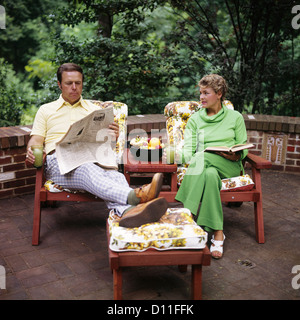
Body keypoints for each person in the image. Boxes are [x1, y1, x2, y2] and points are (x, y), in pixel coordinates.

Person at [26, 62, 168, 228]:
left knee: (116, 176)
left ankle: (128, 212)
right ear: (59, 85)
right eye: (68, 83)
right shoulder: (46, 110)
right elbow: (36, 140)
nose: (74, 87)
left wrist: (112, 136)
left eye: (78, 83)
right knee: (86, 168)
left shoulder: (94, 110)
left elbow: (106, 146)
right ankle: (136, 196)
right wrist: (31, 150)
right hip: (58, 163)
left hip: (92, 158)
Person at [175, 74, 248, 259]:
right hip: (206, 166)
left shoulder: (235, 117)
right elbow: (189, 153)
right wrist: (167, 154)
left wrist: (236, 154)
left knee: (202, 158)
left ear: (219, 94)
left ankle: (187, 217)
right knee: (208, 174)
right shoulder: (195, 120)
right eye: (200, 93)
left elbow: (243, 146)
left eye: (206, 93)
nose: (201, 97)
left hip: (230, 165)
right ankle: (217, 233)